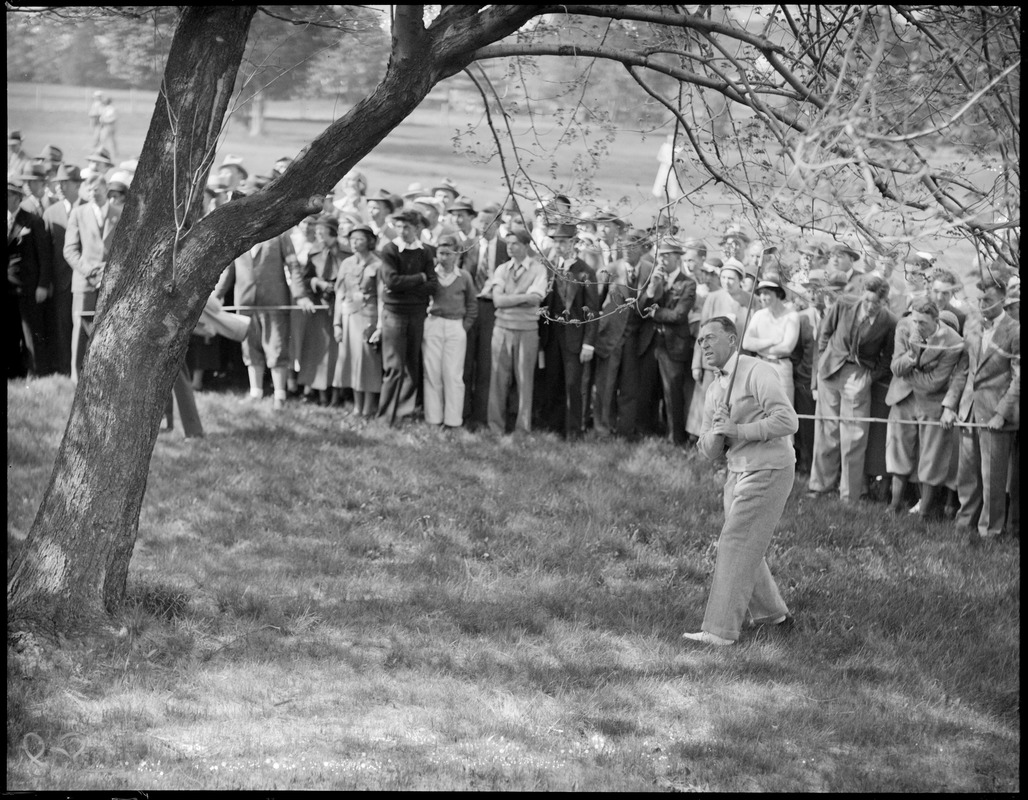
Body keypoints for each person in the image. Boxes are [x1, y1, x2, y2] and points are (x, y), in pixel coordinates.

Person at [683, 316, 798, 646]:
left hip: (769, 469)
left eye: (711, 338)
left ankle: (720, 631)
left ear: (733, 340)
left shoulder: (756, 370)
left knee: (735, 542)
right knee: (748, 545)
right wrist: (717, 435)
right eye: (700, 340)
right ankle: (775, 616)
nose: (703, 345)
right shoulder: (715, 388)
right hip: (736, 472)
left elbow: (787, 420)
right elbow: (709, 450)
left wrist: (740, 431)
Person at [807, 275, 897, 503]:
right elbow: (825, 334)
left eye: (875, 302)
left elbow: (888, 358)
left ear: (884, 301)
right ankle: (820, 486)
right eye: (866, 300)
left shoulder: (889, 321)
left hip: (859, 375)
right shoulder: (844, 303)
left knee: (854, 437)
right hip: (831, 371)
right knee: (827, 431)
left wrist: (869, 378)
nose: (870, 306)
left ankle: (849, 494)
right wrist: (823, 363)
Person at [944, 279, 1020, 543]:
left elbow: (1018, 378)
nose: (982, 305)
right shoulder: (973, 326)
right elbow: (963, 370)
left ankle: (991, 531)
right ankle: (965, 524)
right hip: (968, 411)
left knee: (993, 478)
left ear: (1002, 300)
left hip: (995, 416)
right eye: (980, 300)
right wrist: (950, 406)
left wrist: (1002, 413)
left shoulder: (1015, 331)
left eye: (987, 300)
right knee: (967, 474)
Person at [884, 298, 964, 520]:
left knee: (932, 456)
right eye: (915, 320)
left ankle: (925, 512)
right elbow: (896, 367)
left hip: (932, 402)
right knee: (897, 449)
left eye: (923, 323)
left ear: (937, 320)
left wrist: (908, 372)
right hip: (902, 397)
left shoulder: (953, 341)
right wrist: (912, 354)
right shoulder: (904, 326)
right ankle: (894, 505)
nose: (917, 326)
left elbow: (935, 383)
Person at [214, 209, 301, 410]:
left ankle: (280, 395)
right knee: (250, 347)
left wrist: (301, 295)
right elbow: (229, 270)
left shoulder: (280, 234)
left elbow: (293, 265)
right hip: (244, 301)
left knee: (277, 346)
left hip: (274, 300)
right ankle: (256, 392)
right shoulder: (239, 236)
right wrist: (217, 295)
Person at [481, 228, 548, 434]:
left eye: (515, 243)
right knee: (498, 379)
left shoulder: (538, 269)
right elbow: (498, 300)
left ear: (526, 246)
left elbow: (537, 298)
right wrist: (522, 297)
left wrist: (510, 299)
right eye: (508, 243)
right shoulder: (502, 269)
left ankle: (522, 428)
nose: (509, 247)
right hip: (501, 329)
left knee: (524, 380)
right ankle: (495, 426)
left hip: (527, 330)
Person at [535, 223, 599, 439]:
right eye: (556, 242)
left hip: (575, 338)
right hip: (552, 336)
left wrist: (588, 343)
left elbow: (592, 310)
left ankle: (574, 431)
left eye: (563, 241)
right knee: (553, 380)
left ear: (573, 243)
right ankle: (554, 426)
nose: (559, 246)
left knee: (573, 384)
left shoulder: (585, 272)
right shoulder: (551, 267)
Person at [377, 208, 438, 425]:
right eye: (399, 226)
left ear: (418, 228)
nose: (403, 231)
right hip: (394, 314)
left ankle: (403, 414)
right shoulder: (389, 250)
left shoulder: (426, 252)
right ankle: (385, 417)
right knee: (394, 365)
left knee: (412, 364)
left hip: (417, 313)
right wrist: (419, 278)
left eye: (407, 227)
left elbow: (432, 285)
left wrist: (409, 284)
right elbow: (391, 282)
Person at [63, 172, 120, 382]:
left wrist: (108, 271)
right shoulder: (78, 213)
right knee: (80, 328)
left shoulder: (119, 213)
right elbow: (69, 250)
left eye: (97, 189)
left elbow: (124, 248)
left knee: (109, 327)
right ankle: (76, 377)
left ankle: (105, 375)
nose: (94, 194)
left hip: (110, 279)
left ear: (106, 189)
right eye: (90, 190)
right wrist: (89, 271)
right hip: (84, 280)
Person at [641, 238, 698, 446]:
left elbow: (679, 316)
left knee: (672, 392)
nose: (663, 260)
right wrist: (651, 290)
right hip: (651, 342)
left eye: (667, 255)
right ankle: (649, 429)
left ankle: (676, 438)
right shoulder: (656, 280)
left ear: (677, 258)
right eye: (661, 256)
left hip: (674, 345)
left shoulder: (688, 283)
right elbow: (642, 309)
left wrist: (654, 312)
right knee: (648, 388)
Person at [422, 234, 477, 428]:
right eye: (440, 253)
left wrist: (464, 326)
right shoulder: (431, 276)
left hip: (456, 326)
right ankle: (433, 418)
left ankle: (453, 420)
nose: (444, 257)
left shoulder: (464, 277)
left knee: (453, 374)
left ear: (456, 255)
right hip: (434, 323)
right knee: (432, 373)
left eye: (448, 253)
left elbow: (472, 304)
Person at [333, 224, 383, 418]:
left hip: (368, 317)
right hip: (348, 317)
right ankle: (357, 407)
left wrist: (379, 326)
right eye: (352, 239)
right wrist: (337, 323)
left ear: (369, 241)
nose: (354, 243)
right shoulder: (346, 264)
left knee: (368, 362)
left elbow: (381, 297)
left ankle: (368, 407)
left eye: (359, 239)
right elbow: (340, 294)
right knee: (352, 360)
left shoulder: (378, 264)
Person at [295, 214, 345, 406]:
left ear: (333, 233)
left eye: (322, 233)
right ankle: (320, 393)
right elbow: (306, 278)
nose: (319, 236)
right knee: (319, 351)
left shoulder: (346, 253)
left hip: (340, 308)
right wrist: (319, 283)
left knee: (337, 352)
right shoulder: (314, 252)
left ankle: (336, 393)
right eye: (317, 233)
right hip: (320, 307)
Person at [465, 202, 508, 428]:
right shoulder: (468, 246)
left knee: (485, 364)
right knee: (465, 363)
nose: (483, 227)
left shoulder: (505, 248)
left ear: (498, 225)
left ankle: (480, 417)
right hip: (470, 308)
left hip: (493, 309)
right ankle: (462, 413)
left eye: (488, 223)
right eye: (480, 222)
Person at [42, 163, 85, 376]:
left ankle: (82, 370)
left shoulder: (88, 207)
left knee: (83, 327)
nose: (59, 186)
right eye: (58, 182)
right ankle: (63, 370)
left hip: (84, 282)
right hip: (59, 282)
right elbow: (45, 254)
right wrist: (47, 281)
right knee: (61, 327)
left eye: (64, 182)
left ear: (77, 185)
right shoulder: (51, 213)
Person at [7, 179, 49, 378]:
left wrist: (42, 284)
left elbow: (44, 256)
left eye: (8, 194)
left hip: (28, 287)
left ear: (17, 198)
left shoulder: (32, 221)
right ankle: (14, 374)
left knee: (30, 333)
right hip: (7, 289)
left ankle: (36, 373)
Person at [742, 274, 800, 404]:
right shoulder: (758, 315)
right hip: (760, 366)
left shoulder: (791, 316)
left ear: (778, 293)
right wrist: (771, 341)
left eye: (767, 293)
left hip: (781, 368)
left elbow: (786, 347)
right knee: (758, 409)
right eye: (761, 293)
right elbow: (746, 343)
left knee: (781, 410)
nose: (763, 297)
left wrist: (758, 345)